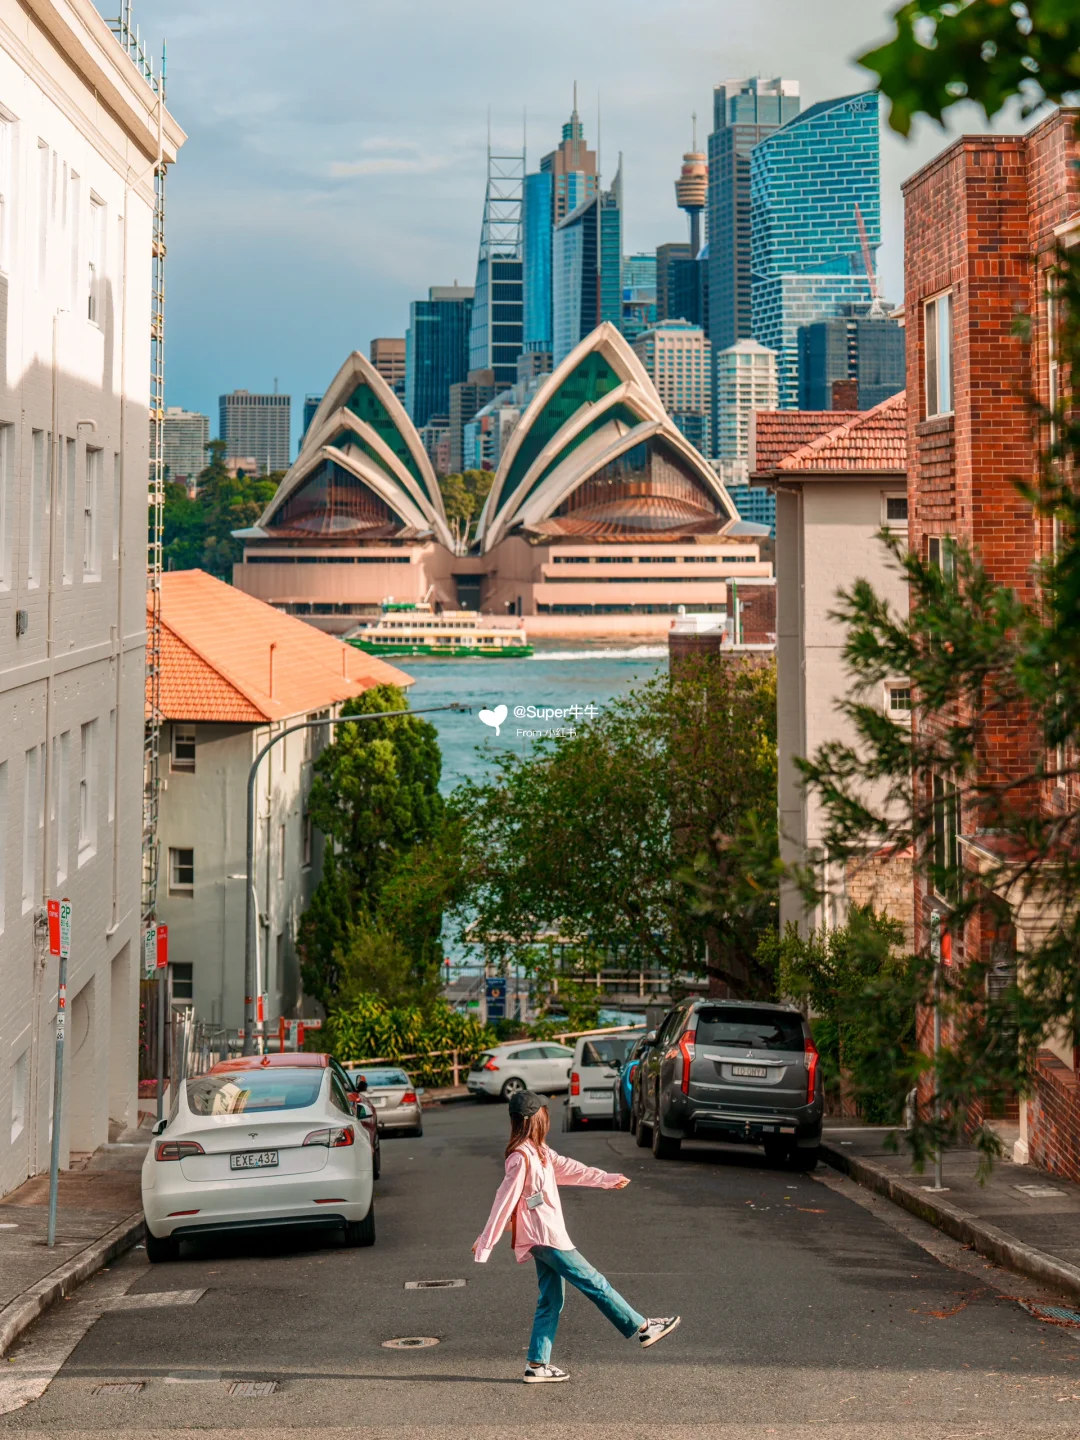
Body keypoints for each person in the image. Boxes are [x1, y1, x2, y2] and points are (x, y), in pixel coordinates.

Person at [472, 1089, 680, 1383]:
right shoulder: (521, 1157)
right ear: (533, 1119)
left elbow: (571, 1169)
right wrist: (486, 1242)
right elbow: (503, 1199)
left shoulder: (540, 1151)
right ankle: (643, 1328)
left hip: (545, 1236)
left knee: (551, 1299)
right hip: (545, 1237)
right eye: (543, 1112)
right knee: (595, 1282)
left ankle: (537, 1364)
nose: (547, 1116)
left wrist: (606, 1179)